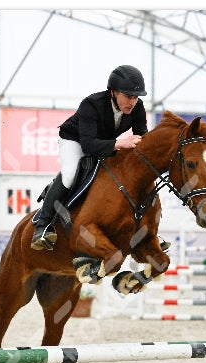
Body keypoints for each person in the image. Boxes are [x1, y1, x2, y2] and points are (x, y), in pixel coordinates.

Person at [31, 65, 149, 250]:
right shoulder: (91, 104)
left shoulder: (137, 108)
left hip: (105, 143)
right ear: (113, 92)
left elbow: (142, 137)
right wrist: (119, 144)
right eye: (128, 96)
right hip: (75, 140)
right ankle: (43, 226)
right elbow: (88, 146)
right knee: (70, 173)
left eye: (135, 97)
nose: (132, 102)